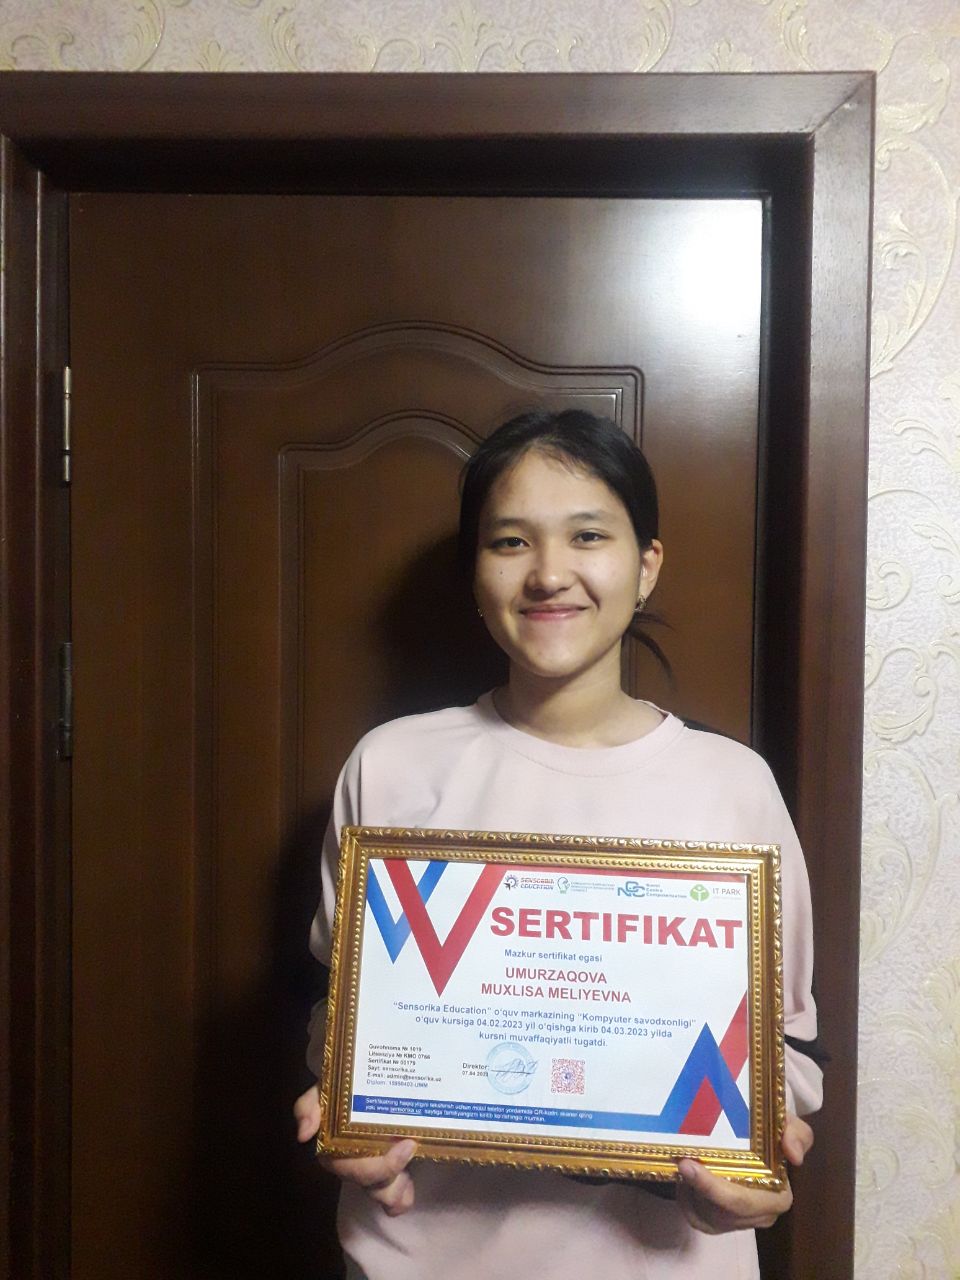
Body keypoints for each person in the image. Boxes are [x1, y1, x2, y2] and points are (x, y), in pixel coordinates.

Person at [294, 409, 822, 1280]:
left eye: (588, 535)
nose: (547, 574)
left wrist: (741, 1168)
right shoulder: (390, 766)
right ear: (476, 572)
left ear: (645, 566)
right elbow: (334, 1007)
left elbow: (790, 1049)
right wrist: (350, 1120)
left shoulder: (732, 785)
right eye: (510, 542)